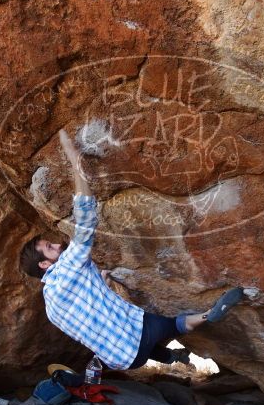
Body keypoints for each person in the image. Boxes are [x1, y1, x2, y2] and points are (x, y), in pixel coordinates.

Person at [19, 129, 244, 370]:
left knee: (141, 341)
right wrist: (75, 162)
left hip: (122, 360)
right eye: (50, 247)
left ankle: (170, 358)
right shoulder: (67, 267)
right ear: (44, 264)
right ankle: (207, 315)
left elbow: (88, 318)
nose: (58, 245)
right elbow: (85, 221)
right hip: (140, 335)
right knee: (175, 324)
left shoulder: (51, 307)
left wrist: (101, 284)